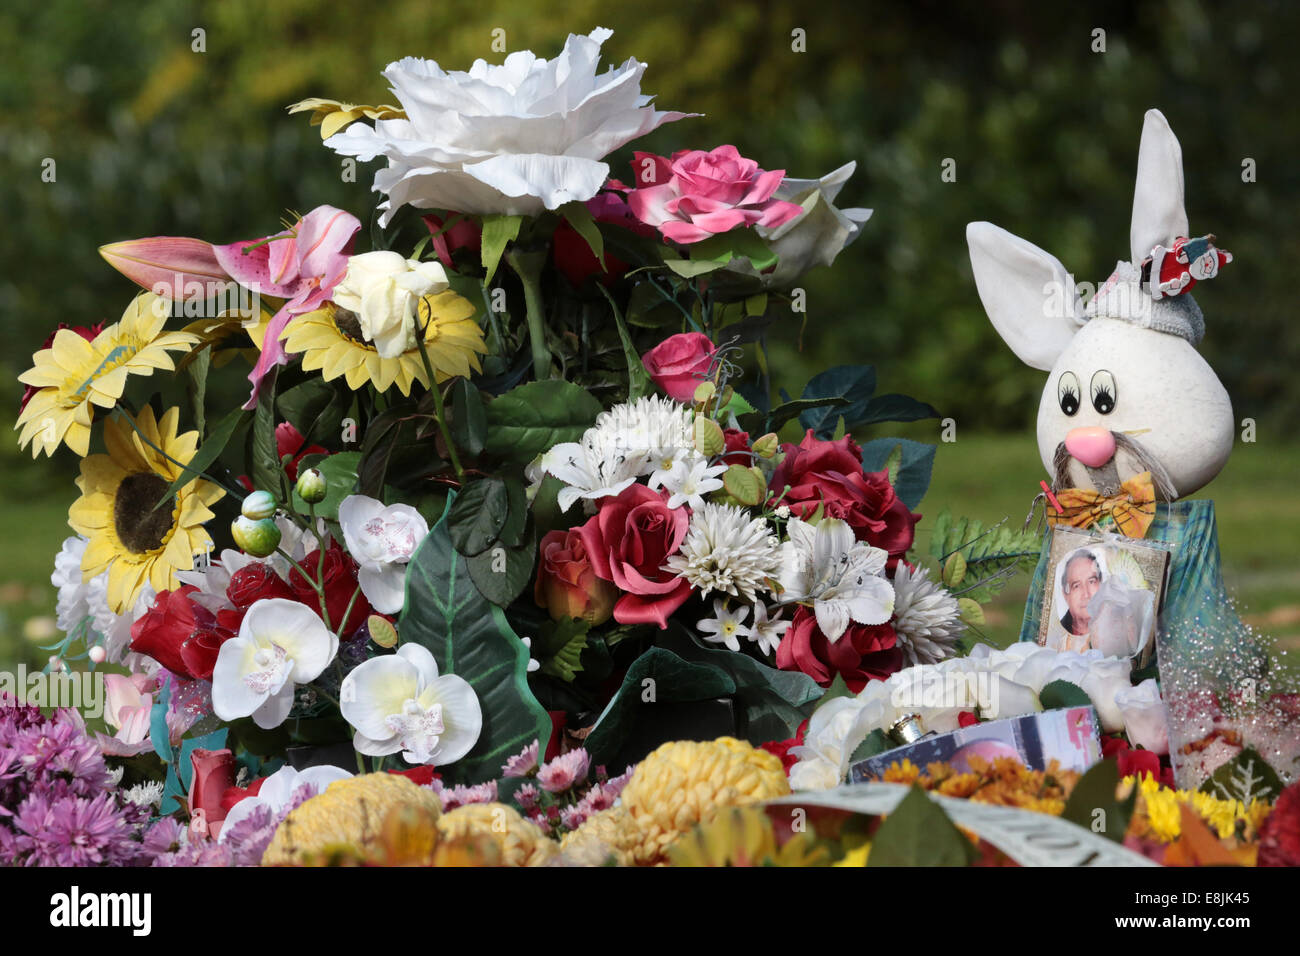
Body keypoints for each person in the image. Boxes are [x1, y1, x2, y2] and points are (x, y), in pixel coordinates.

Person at [1059, 550, 1103, 643]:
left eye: (1091, 581)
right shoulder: (1055, 635)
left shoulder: (1119, 627)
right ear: (1066, 595)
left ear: (1101, 585)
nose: (1086, 595)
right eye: (1076, 586)